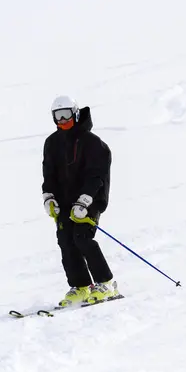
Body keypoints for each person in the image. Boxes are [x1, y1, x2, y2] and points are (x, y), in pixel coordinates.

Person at [41, 95, 118, 307]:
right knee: (66, 241)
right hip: (64, 203)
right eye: (58, 116)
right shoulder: (52, 143)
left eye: (66, 115)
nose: (62, 120)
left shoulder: (93, 143)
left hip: (89, 201)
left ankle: (107, 283)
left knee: (82, 238)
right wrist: (48, 196)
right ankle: (81, 286)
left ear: (75, 114)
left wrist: (85, 201)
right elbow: (49, 174)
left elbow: (97, 175)